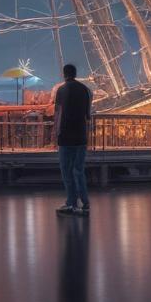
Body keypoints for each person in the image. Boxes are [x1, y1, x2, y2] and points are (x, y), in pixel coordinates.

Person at [54, 63, 92, 216]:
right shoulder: (86, 90)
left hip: (65, 136)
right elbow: (88, 115)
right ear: (75, 74)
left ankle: (71, 202)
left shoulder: (61, 90)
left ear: (64, 74)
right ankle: (85, 201)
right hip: (81, 136)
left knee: (66, 171)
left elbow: (58, 113)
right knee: (79, 170)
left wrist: (55, 133)